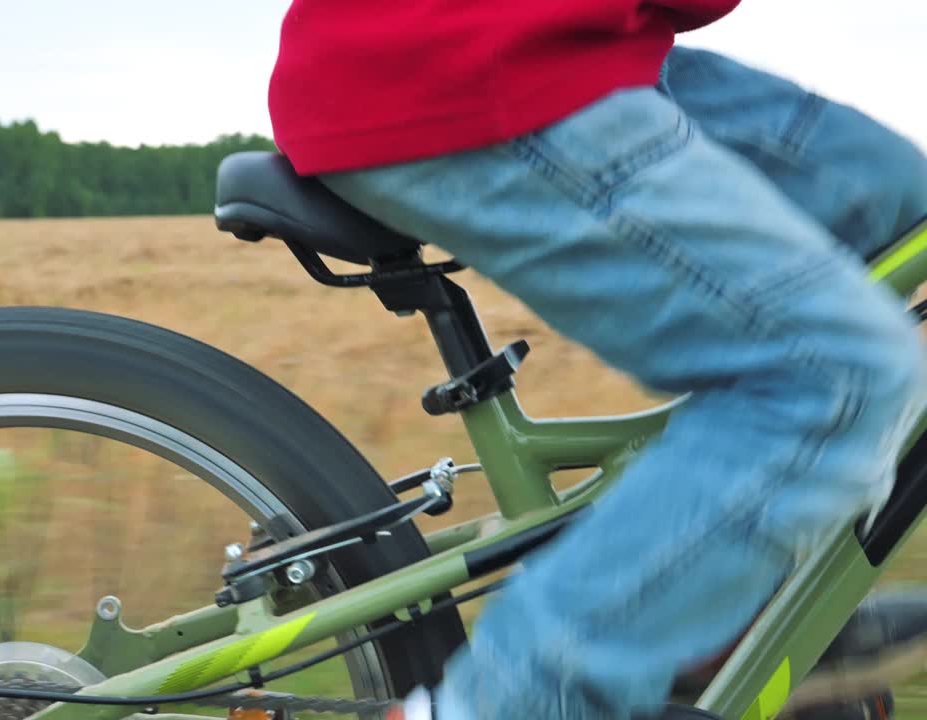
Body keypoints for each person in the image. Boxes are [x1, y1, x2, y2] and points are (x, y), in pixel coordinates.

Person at [266, 2, 927, 720]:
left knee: (889, 195)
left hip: (574, 46)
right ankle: (501, 705)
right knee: (835, 377)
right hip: (463, 60)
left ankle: (722, 597)